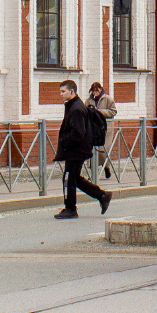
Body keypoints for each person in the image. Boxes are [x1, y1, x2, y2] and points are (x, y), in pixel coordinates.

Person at [53, 79, 111, 219]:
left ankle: (71, 209)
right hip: (76, 150)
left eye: (63, 91)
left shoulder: (76, 109)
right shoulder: (74, 105)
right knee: (74, 178)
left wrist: (64, 141)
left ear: (71, 91)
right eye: (60, 91)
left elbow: (78, 132)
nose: (60, 94)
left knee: (69, 178)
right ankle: (102, 195)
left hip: (76, 150)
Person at [87, 82, 117, 178]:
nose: (95, 93)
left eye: (97, 90)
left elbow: (113, 111)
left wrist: (100, 112)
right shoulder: (89, 100)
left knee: (103, 150)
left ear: (100, 89)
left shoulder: (107, 99)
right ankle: (93, 173)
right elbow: (85, 110)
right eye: (93, 91)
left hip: (106, 129)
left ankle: (106, 167)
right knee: (92, 150)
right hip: (93, 128)